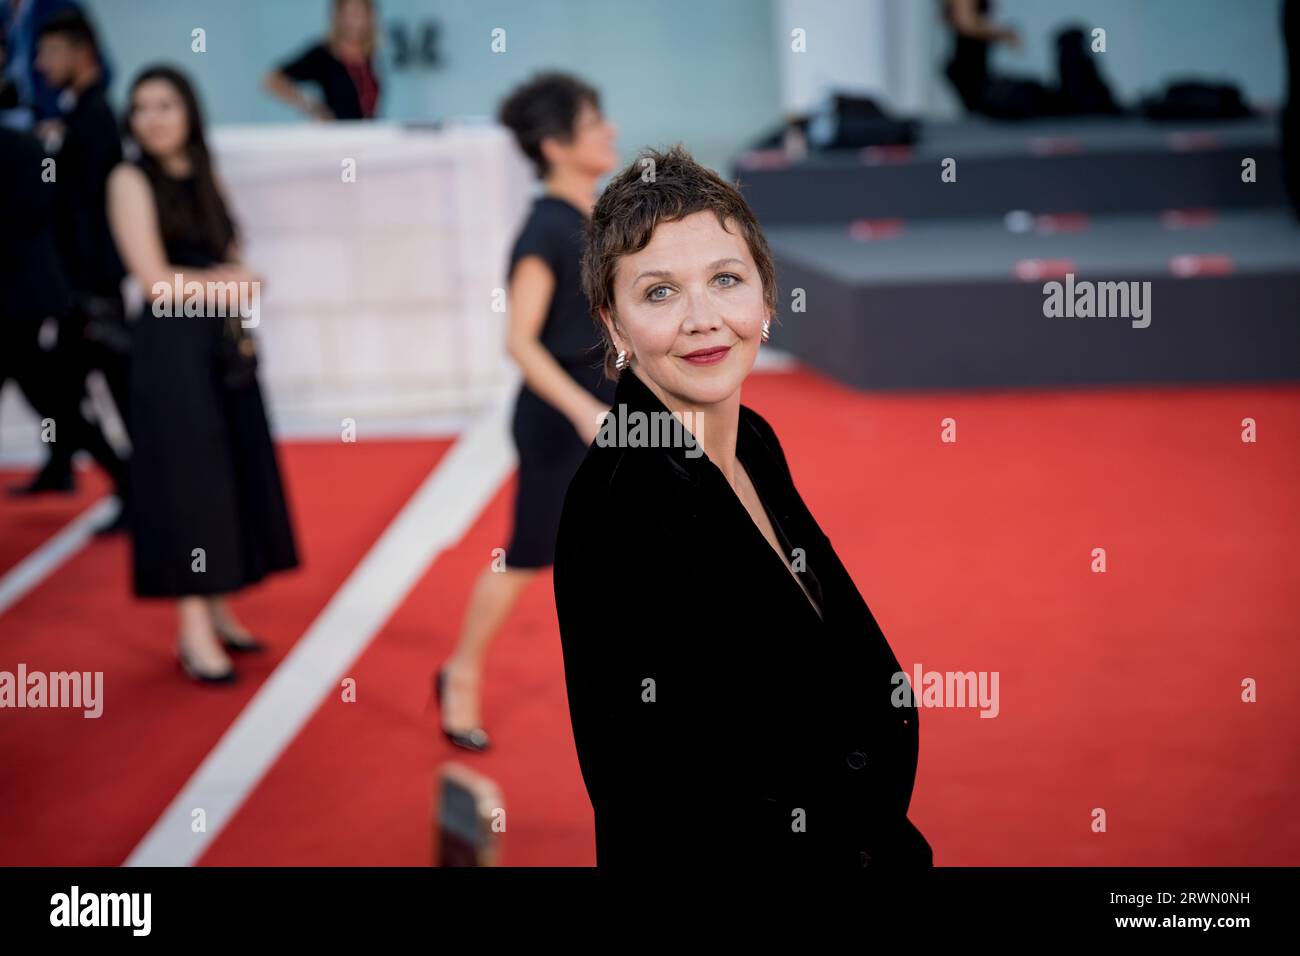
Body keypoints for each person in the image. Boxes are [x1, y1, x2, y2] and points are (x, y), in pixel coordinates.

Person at [552, 143, 933, 868]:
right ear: (613, 325)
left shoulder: (751, 440)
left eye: (726, 280)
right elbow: (659, 801)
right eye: (659, 292)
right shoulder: (620, 510)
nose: (703, 318)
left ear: (767, 297)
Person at [432, 72, 619, 751]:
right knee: (529, 555)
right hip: (558, 419)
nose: (611, 132)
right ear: (554, 144)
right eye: (596, 122)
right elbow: (519, 341)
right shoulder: (544, 229)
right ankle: (460, 674)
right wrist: (580, 412)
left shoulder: (599, 218)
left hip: (611, 407)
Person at [106, 65, 300, 683]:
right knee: (190, 485)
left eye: (165, 105)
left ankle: (217, 608)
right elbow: (156, 283)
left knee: (229, 476)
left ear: (189, 111)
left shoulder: (204, 170)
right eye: (141, 108)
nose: (153, 118)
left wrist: (229, 282)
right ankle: (192, 631)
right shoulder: (129, 179)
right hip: (169, 350)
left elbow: (233, 253)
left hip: (220, 345)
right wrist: (228, 284)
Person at [10, 9, 130, 532]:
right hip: (80, 286)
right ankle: (104, 476)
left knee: (87, 389)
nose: (39, 61)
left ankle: (138, 487)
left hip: (87, 286)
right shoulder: (77, 115)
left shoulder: (91, 118)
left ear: (80, 53)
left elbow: (82, 210)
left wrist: (75, 287)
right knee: (66, 391)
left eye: (49, 51)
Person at [263, 0, 380, 122]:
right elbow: (271, 80)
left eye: (361, 12)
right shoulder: (324, 55)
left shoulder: (371, 55)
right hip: (337, 135)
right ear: (339, 17)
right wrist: (312, 107)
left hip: (369, 135)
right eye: (350, 13)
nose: (356, 20)